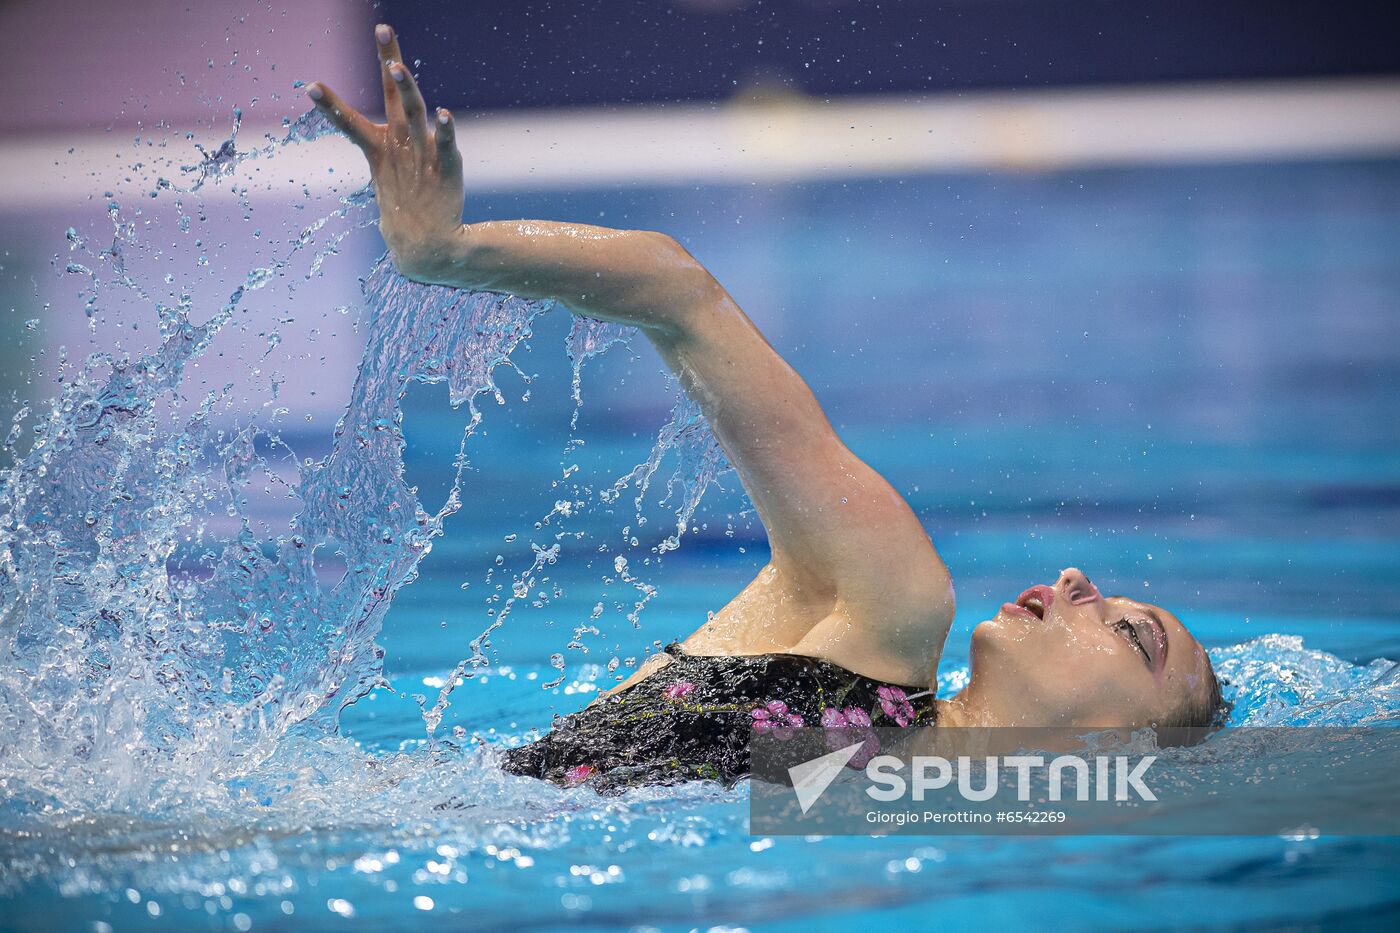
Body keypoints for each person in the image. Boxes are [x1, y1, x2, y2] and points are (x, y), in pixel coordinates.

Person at [309, 25, 1223, 791]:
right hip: (396, 829)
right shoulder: (883, 616)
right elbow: (680, 294)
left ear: (1119, 748)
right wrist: (449, 252)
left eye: (1131, 632)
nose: (1076, 581)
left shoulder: (938, 823)